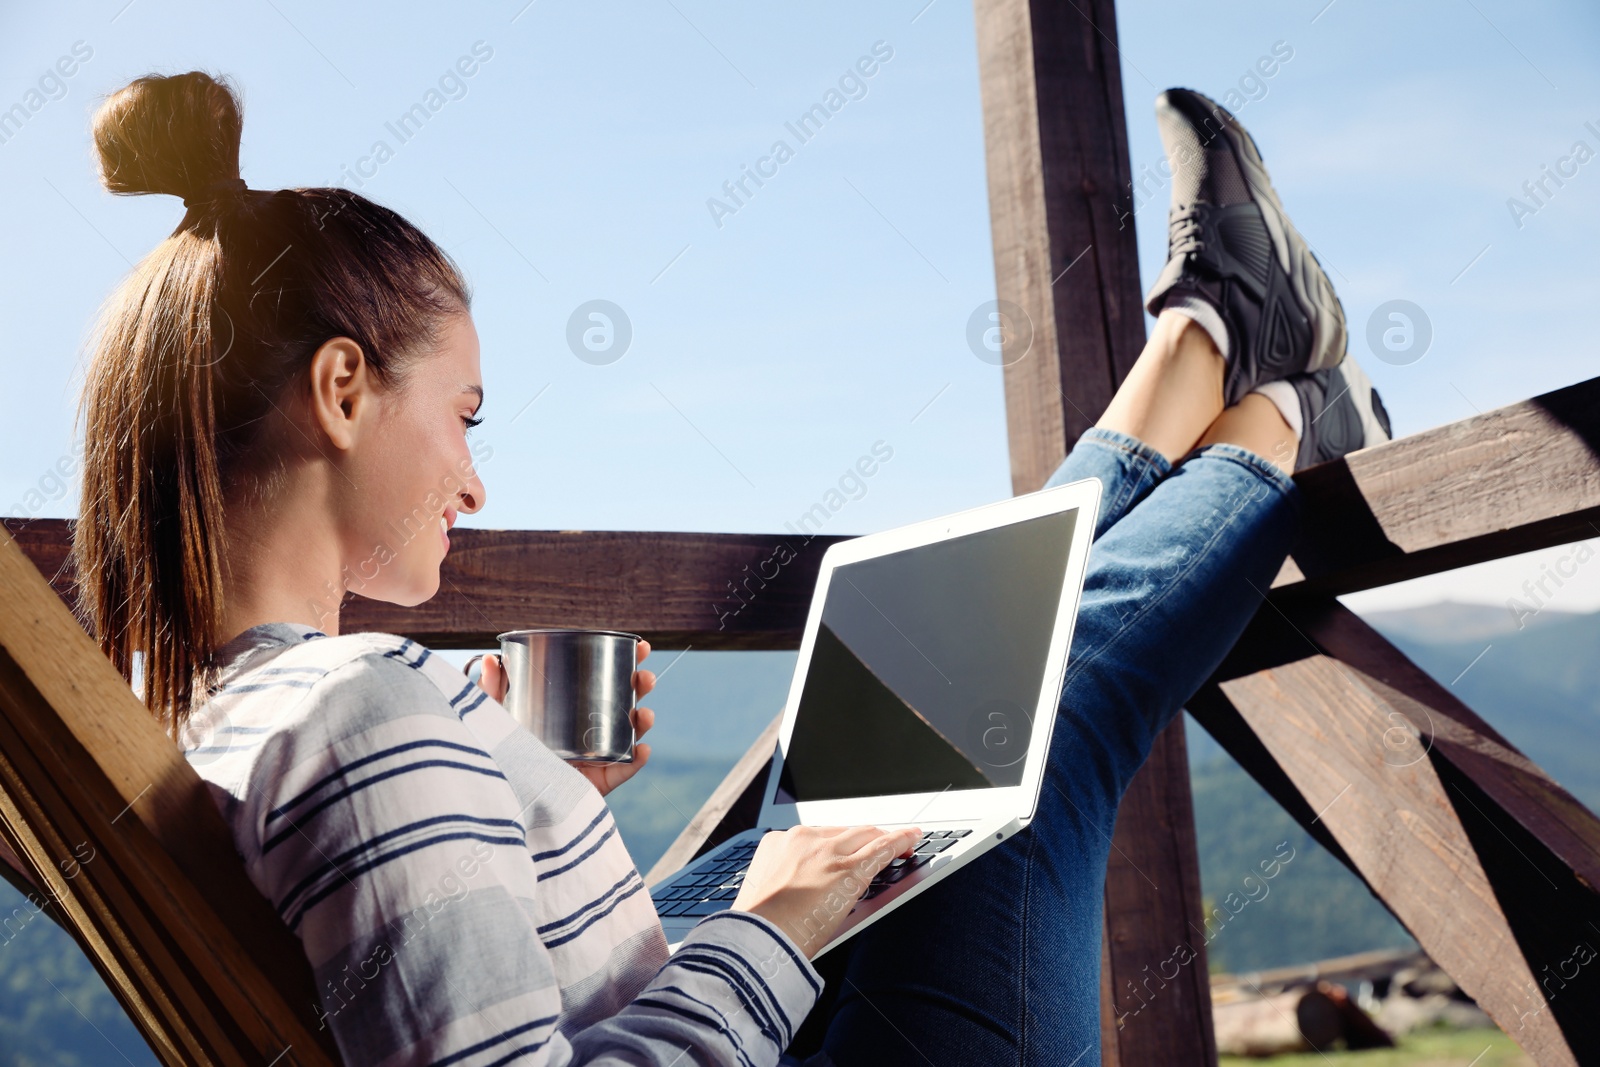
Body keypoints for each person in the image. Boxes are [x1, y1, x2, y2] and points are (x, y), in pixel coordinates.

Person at [70, 68, 1386, 1067]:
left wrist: (525, 805)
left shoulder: (219, 708)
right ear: (343, 391)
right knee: (1045, 696)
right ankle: (1290, 404)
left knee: (922, 672)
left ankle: (1208, 338)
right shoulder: (359, 719)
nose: (475, 479)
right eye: (463, 413)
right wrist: (779, 927)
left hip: (666, 993)